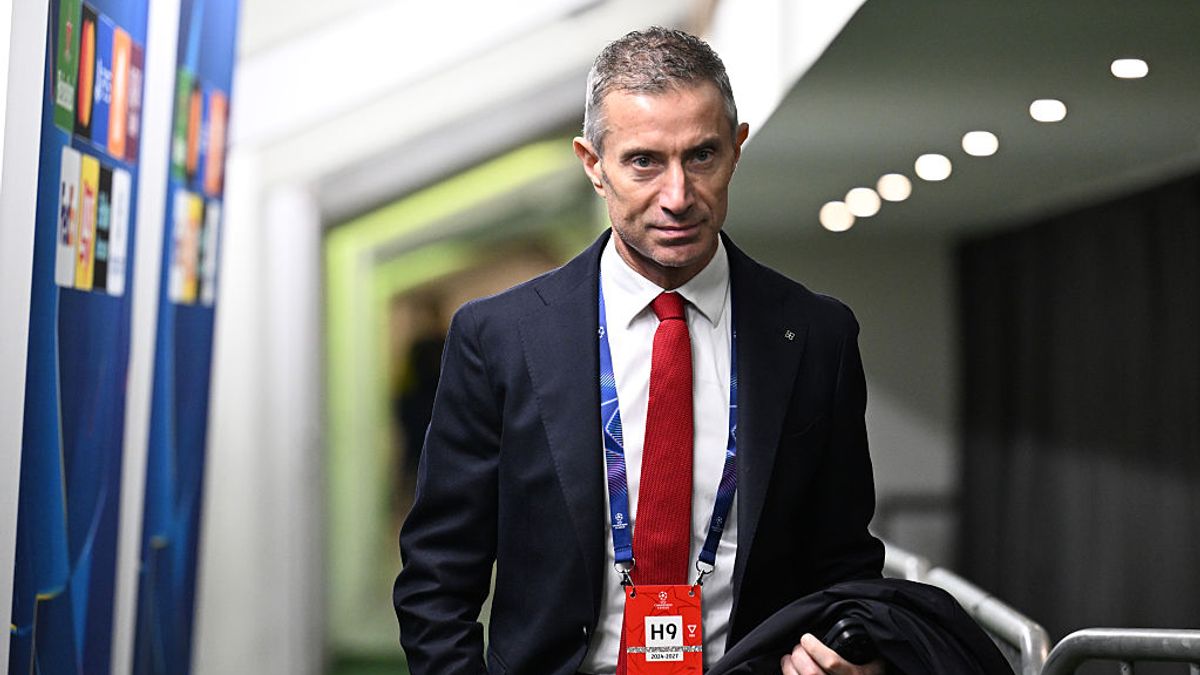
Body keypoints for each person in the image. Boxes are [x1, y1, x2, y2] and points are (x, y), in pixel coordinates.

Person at [393, 27, 885, 675]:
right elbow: (438, 573)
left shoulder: (816, 335)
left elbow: (845, 559)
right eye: (644, 161)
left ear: (737, 149)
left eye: (702, 156)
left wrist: (853, 651)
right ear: (593, 164)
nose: (677, 196)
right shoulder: (499, 336)